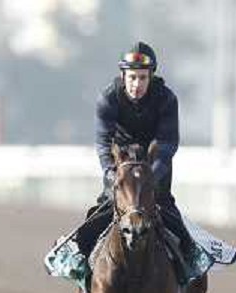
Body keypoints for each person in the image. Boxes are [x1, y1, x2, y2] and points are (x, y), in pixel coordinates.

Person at [75, 41, 197, 267]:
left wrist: (152, 175)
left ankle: (191, 260)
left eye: (142, 78)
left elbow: (168, 144)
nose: (137, 84)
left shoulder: (167, 99)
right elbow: (103, 143)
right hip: (120, 166)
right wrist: (111, 172)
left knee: (165, 209)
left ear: (151, 77)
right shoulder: (108, 98)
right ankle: (78, 257)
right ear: (123, 76)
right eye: (132, 77)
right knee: (103, 209)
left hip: (154, 166)